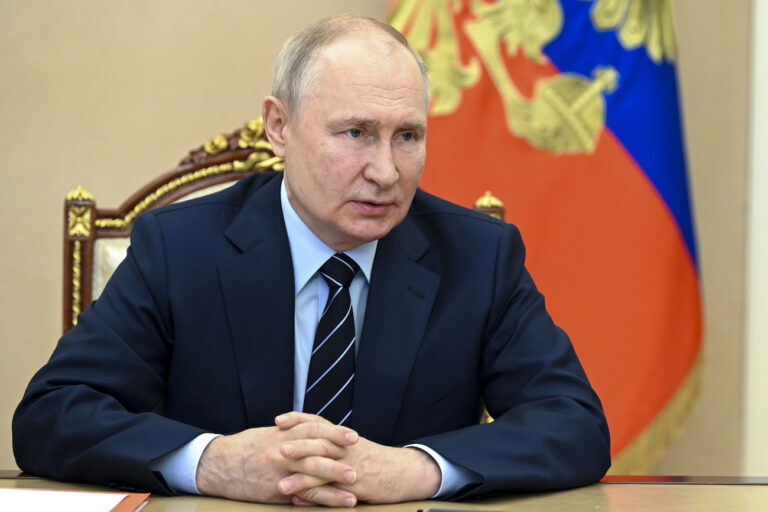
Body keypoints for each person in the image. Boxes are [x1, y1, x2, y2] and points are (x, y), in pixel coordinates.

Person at [13, 14, 610, 507]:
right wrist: (214, 463)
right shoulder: (180, 248)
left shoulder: (479, 255)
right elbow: (53, 413)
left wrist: (415, 469)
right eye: (355, 133)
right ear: (279, 126)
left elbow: (574, 424)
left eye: (407, 136)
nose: (385, 171)